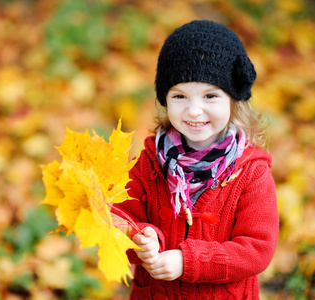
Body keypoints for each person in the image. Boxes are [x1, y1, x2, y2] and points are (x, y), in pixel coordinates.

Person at [112, 20, 279, 299]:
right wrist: (141, 237)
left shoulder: (252, 173)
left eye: (210, 95)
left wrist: (188, 261)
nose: (193, 110)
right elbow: (121, 218)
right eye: (180, 96)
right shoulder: (148, 163)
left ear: (234, 100)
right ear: (165, 99)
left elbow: (256, 249)